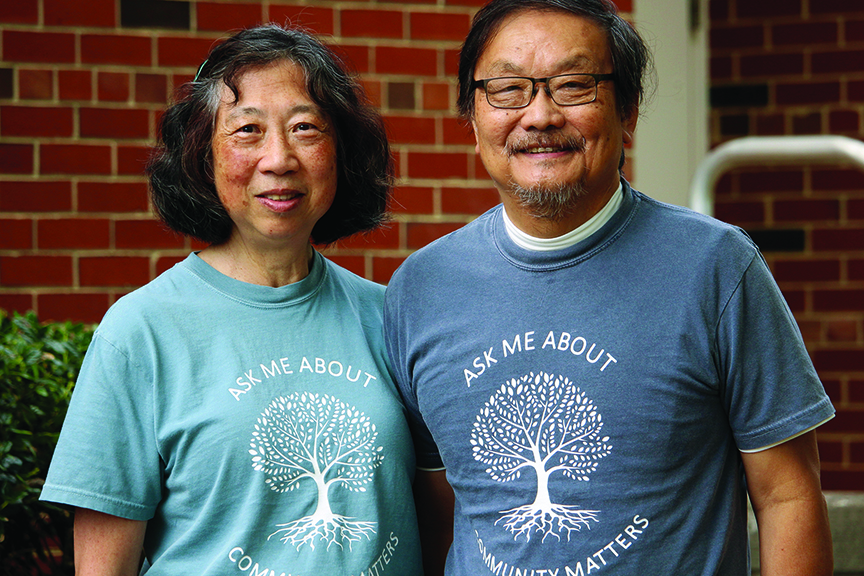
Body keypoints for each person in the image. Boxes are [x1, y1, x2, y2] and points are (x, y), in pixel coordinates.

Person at [383, 1, 835, 575]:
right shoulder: (420, 288)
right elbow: (438, 509)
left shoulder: (716, 268)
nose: (540, 115)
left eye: (574, 86)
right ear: (472, 119)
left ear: (629, 112)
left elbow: (787, 497)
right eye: (507, 89)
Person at [41, 24, 421, 575]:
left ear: (341, 152)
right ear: (202, 155)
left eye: (306, 128)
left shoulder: (392, 319)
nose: (279, 158)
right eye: (246, 130)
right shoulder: (140, 331)